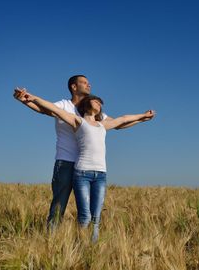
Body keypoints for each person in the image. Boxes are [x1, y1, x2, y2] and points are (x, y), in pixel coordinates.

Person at [13, 75, 149, 228]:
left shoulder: (94, 112)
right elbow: (44, 109)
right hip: (65, 162)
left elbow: (119, 123)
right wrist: (24, 99)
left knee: (87, 212)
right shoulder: (64, 105)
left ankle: (83, 242)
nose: (88, 84)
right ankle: (51, 240)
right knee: (59, 205)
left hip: (87, 167)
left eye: (89, 82)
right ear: (74, 87)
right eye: (84, 82)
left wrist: (141, 119)